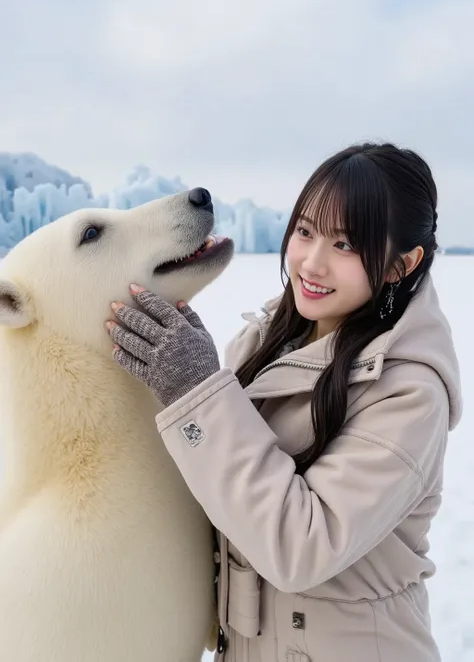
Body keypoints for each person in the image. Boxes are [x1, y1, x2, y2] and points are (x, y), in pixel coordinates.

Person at [106, 142, 462, 662]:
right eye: (305, 231)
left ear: (398, 266)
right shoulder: (260, 345)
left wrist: (199, 392)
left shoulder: (410, 394)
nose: (311, 263)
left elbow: (300, 547)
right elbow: (225, 499)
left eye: (346, 245)